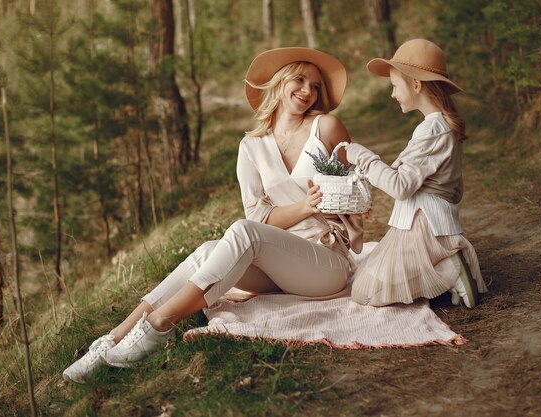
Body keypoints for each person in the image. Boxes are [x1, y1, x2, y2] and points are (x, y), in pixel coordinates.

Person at [63, 47, 362, 384]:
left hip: (324, 263)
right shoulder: (251, 147)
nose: (308, 91)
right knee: (207, 251)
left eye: (317, 86)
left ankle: (161, 324)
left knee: (242, 232)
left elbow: (357, 189)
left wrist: (342, 206)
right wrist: (303, 206)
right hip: (279, 264)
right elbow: (259, 216)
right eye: (300, 79)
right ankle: (112, 339)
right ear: (279, 83)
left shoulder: (327, 126)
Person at [345, 38, 487, 308]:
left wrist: (362, 157)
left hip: (422, 223)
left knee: (365, 292)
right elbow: (455, 190)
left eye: (395, 86)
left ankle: (450, 269)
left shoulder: (431, 129)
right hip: (432, 220)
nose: (392, 94)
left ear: (416, 84)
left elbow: (401, 187)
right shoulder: (442, 126)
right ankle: (443, 264)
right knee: (367, 279)